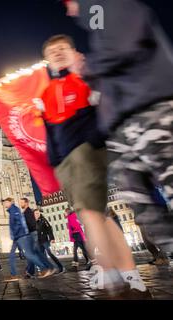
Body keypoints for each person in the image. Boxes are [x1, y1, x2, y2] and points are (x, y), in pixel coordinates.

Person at [40, 32, 147, 297]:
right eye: (52, 51)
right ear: (46, 61)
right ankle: (131, 277)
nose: (57, 52)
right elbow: (51, 132)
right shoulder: (47, 92)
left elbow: (109, 102)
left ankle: (111, 278)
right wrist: (55, 162)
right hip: (67, 162)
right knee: (102, 217)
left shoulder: (83, 77)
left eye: (63, 48)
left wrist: (95, 142)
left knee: (89, 215)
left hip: (87, 152)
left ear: (73, 52)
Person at [65, 0, 173, 256]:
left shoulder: (107, 7)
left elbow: (124, 47)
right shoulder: (99, 21)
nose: (68, 10)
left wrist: (85, 67)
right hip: (126, 124)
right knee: (138, 200)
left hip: (151, 109)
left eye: (68, 2)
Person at [2, 198, 55, 279]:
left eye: (6, 202)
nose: (4, 204)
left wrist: (22, 233)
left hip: (23, 235)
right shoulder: (17, 211)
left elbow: (23, 224)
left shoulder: (19, 210)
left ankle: (45, 268)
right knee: (26, 253)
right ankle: (16, 274)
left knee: (31, 253)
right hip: (19, 235)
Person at [19, 198, 53, 277]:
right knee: (31, 253)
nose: (20, 204)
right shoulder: (25, 212)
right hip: (31, 234)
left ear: (26, 203)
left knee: (34, 253)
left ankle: (48, 267)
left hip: (33, 235)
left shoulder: (29, 212)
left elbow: (32, 224)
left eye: (22, 202)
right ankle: (30, 271)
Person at [34, 209, 65, 273]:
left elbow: (49, 229)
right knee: (42, 256)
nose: (37, 214)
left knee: (50, 253)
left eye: (38, 213)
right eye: (36, 213)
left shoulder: (43, 220)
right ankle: (48, 269)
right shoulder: (33, 222)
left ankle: (61, 267)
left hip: (45, 240)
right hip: (38, 241)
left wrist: (52, 238)